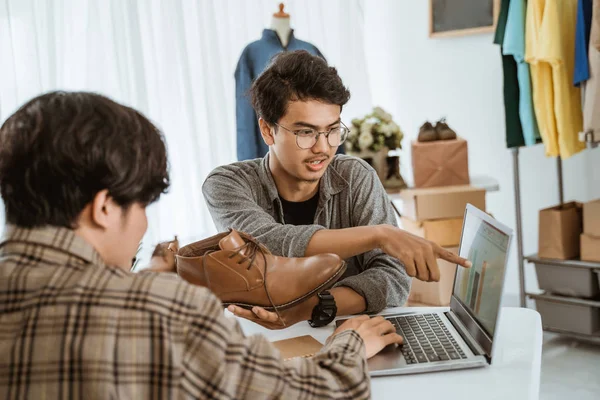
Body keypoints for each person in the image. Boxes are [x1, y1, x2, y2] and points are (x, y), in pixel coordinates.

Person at [0, 91, 403, 399]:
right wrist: (350, 344)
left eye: (331, 130)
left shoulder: (357, 176)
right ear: (104, 207)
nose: (142, 225)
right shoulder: (158, 308)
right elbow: (312, 391)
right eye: (142, 204)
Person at [203, 50, 472, 329]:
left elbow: (392, 278)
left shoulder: (356, 177)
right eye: (305, 133)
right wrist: (379, 234)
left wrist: (313, 307)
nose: (323, 147)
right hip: (263, 342)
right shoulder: (226, 184)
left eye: (332, 130)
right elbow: (266, 243)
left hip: (350, 335)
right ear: (267, 130)